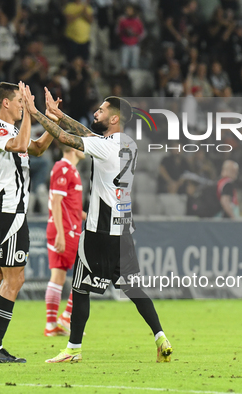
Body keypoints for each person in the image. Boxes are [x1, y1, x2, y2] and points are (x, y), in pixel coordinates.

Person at [27, 88, 172, 363]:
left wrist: (37, 114)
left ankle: (73, 349)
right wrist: (61, 115)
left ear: (114, 119)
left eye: (102, 110)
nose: (96, 112)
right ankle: (160, 336)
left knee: (80, 289)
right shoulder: (128, 144)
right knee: (133, 288)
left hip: (98, 232)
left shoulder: (105, 147)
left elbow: (67, 138)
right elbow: (86, 133)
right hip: (123, 233)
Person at [0, 82, 54, 364]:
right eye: (19, 101)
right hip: (9, 213)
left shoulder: (13, 131)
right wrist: (30, 112)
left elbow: (37, 148)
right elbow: (18, 145)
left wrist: (51, 119)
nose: (21, 104)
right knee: (15, 279)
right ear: (5, 103)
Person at [44, 145, 86, 337]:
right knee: (84, 272)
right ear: (73, 147)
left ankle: (52, 325)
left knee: (58, 276)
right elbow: (56, 202)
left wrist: (84, 215)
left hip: (67, 226)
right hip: (66, 230)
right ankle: (67, 316)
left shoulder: (70, 169)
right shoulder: (64, 167)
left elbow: (68, 204)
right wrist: (61, 233)